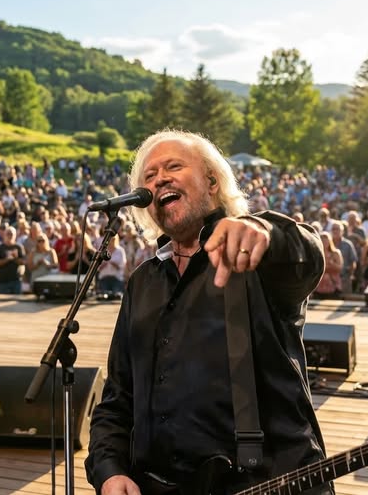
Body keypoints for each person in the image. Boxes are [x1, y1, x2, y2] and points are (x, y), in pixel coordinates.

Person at [85, 130, 332, 495]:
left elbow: (307, 255)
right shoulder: (142, 282)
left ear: (212, 182)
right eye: (149, 176)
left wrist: (262, 229)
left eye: (173, 166)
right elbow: (118, 396)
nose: (159, 179)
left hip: (266, 482)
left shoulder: (253, 253)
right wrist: (109, 470)